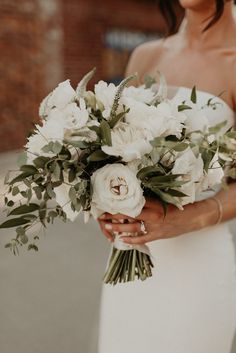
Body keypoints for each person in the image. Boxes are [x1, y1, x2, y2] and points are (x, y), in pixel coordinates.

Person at [97, 1, 236, 352]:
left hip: (199, 266)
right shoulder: (144, 56)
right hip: (130, 258)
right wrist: (106, 200)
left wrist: (181, 221)